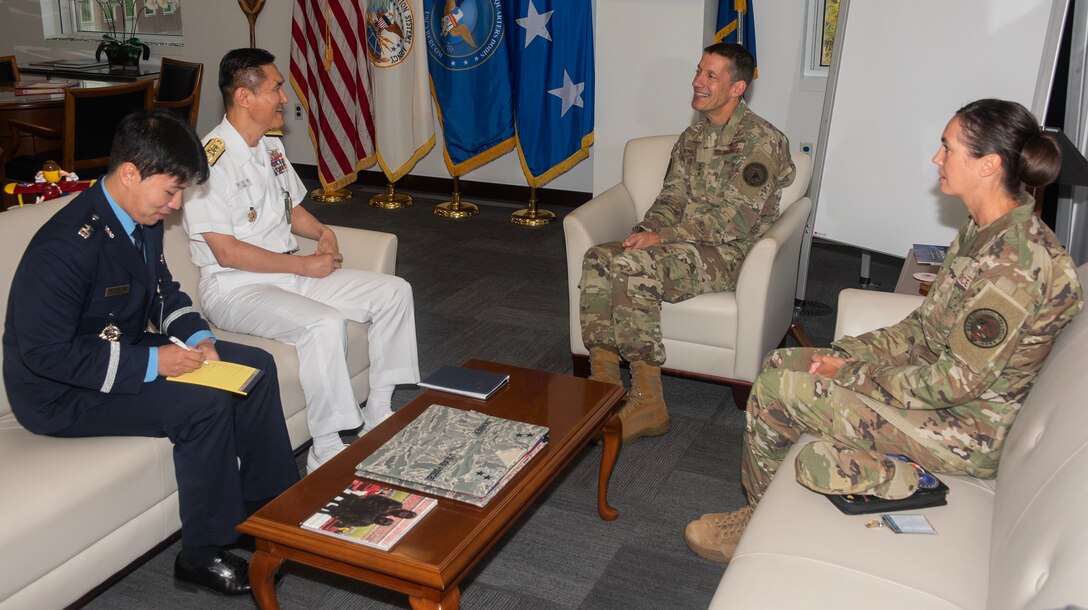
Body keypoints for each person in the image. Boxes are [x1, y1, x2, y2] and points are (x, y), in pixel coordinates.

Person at [684, 98, 1084, 563]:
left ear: (988, 165)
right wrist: (850, 353)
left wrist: (851, 374)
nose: (937, 159)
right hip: (939, 391)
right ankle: (779, 498)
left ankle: (756, 522)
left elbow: (954, 383)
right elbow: (923, 326)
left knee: (779, 391)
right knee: (781, 362)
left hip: (963, 428)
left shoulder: (1013, 266)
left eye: (948, 148)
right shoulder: (981, 229)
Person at [2, 109, 300, 595]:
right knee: (203, 405)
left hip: (119, 347)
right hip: (60, 391)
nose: (177, 204)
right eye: (171, 190)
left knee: (255, 367)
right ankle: (204, 551)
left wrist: (199, 339)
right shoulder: (64, 246)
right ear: (129, 174)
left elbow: (162, 293)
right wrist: (153, 363)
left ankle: (268, 507)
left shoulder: (140, 218)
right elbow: (46, 355)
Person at [182, 48, 420, 474]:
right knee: (323, 324)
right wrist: (302, 266)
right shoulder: (208, 161)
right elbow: (226, 251)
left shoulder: (269, 148)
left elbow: (289, 209)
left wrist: (324, 233)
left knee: (394, 292)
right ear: (244, 96)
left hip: (287, 274)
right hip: (234, 287)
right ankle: (325, 446)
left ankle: (378, 413)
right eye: (276, 87)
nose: (285, 97)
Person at [579, 42, 795, 443]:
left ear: (737, 88)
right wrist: (644, 232)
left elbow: (735, 220)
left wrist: (662, 238)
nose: (697, 82)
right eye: (698, 71)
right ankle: (603, 388)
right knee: (599, 257)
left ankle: (649, 403)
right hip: (683, 245)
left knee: (631, 267)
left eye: (710, 75)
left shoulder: (761, 142)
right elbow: (671, 198)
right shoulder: (693, 136)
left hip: (730, 253)